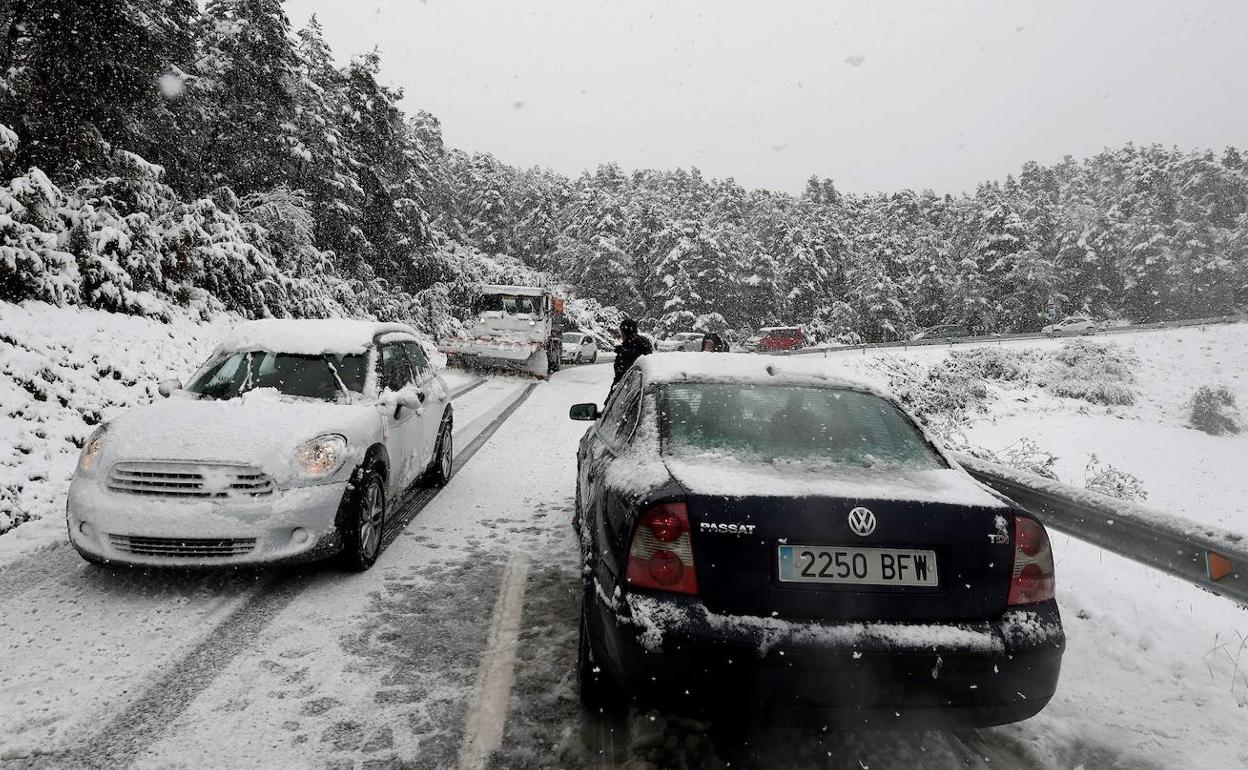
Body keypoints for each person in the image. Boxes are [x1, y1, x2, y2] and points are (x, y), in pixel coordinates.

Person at [611, 318, 652, 388]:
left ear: (624, 333)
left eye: (621, 332)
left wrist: (612, 395)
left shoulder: (625, 351)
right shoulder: (644, 346)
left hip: (630, 390)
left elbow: (620, 378)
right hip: (643, 387)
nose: (621, 335)